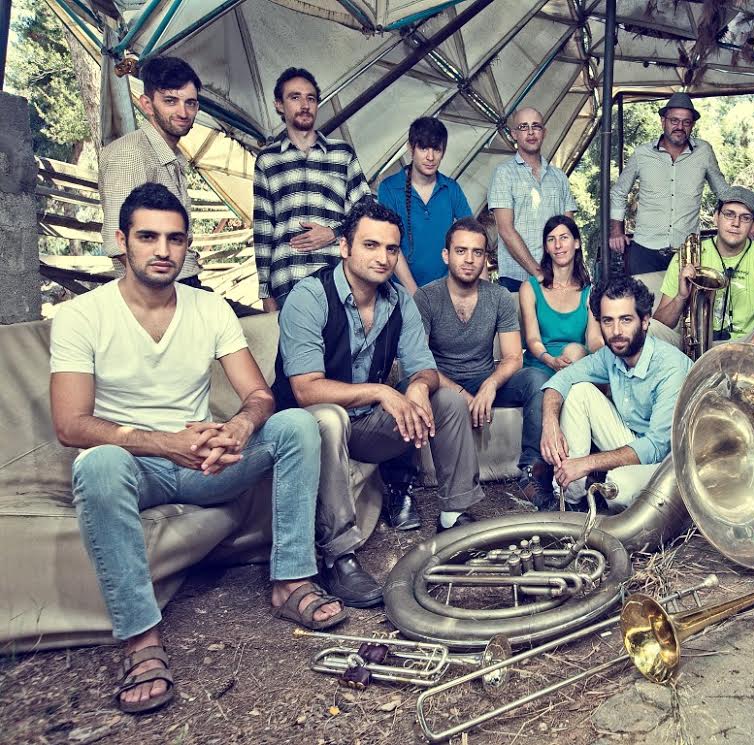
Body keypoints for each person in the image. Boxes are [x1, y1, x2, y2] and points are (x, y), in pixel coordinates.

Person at [50, 183, 342, 715]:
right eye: (148, 237)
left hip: (206, 463)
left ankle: (291, 580)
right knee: (99, 464)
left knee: (298, 424)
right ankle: (141, 640)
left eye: (175, 239)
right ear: (122, 241)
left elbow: (259, 395)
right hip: (137, 466)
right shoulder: (81, 315)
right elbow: (71, 424)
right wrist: (166, 444)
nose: (163, 250)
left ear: (188, 246)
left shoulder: (209, 309)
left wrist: (240, 427)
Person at [274, 198, 483, 606]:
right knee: (330, 417)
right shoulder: (309, 297)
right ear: (344, 247)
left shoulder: (400, 300)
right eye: (370, 245)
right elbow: (306, 390)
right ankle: (338, 557)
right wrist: (382, 391)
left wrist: (418, 386)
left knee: (446, 399)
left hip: (366, 427)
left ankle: (454, 517)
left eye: (391, 249)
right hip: (308, 433)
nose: (383, 258)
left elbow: (424, 367)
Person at [414, 217, 556, 506]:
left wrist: (490, 385)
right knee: (408, 384)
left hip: (484, 377)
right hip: (440, 383)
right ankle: (404, 484)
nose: (469, 259)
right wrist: (460, 394)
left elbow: (513, 357)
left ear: (485, 259)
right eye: (461, 251)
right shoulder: (426, 297)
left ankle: (532, 473)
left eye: (477, 252)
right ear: (446, 255)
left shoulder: (499, 296)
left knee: (537, 379)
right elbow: (420, 361)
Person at [540, 276, 693, 509]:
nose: (616, 331)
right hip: (635, 442)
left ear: (645, 321)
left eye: (626, 320)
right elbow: (562, 378)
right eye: (608, 321)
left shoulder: (671, 367)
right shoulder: (610, 355)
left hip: (672, 464)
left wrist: (587, 463)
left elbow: (656, 447)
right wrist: (549, 423)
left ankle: (601, 485)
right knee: (578, 391)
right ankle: (570, 502)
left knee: (618, 487)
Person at [254, 67, 373, 311]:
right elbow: (263, 229)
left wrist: (333, 233)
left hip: (338, 277)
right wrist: (265, 293)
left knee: (342, 338)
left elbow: (368, 211)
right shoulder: (267, 160)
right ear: (279, 105)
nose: (305, 105)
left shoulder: (342, 153)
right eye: (295, 97)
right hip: (288, 280)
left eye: (311, 98)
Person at [99, 57, 205, 286]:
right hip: (159, 289)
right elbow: (119, 245)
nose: (183, 112)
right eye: (170, 101)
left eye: (190, 103)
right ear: (147, 105)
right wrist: (159, 297)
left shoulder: (171, 155)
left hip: (182, 282)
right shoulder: (131, 154)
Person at [652, 186, 754, 352]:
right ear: (716, 217)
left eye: (745, 218)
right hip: (694, 343)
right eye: (729, 214)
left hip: (744, 344)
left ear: (753, 225)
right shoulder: (688, 256)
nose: (735, 223)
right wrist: (681, 297)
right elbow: (661, 322)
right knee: (652, 329)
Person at [607, 92, 730, 274]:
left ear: (692, 125)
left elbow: (724, 192)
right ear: (663, 121)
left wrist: (750, 222)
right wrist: (616, 231)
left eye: (686, 122)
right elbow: (619, 192)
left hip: (687, 250)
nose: (680, 127)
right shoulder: (642, 154)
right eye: (674, 121)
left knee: (686, 293)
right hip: (645, 249)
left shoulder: (704, 151)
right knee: (643, 293)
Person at [377, 117, 473, 293]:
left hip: (446, 292)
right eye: (423, 148)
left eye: (436, 149)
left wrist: (483, 295)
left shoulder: (451, 188)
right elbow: (389, 245)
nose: (430, 157)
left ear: (443, 152)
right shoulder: (389, 188)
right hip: (400, 293)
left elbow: (473, 238)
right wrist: (416, 295)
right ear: (410, 148)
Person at [488, 107, 577, 291]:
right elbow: (505, 230)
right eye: (523, 127)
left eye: (536, 126)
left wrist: (564, 274)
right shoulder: (503, 174)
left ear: (544, 132)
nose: (530, 132)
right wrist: (539, 274)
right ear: (514, 134)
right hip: (516, 278)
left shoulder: (559, 177)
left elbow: (568, 229)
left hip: (557, 278)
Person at [520, 215, 604, 375]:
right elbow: (533, 339)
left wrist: (609, 358)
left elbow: (594, 340)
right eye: (551, 239)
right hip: (539, 367)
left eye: (564, 237)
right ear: (546, 248)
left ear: (577, 243)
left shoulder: (590, 291)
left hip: (574, 363)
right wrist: (550, 361)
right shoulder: (530, 288)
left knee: (575, 351)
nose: (558, 245)